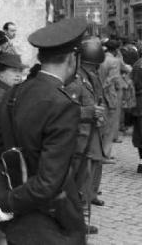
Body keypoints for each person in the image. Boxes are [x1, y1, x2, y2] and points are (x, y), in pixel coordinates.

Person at [0, 17, 88, 245]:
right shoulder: (63, 104)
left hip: (18, 222)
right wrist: (2, 203)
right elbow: (48, 182)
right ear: (72, 58)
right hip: (53, 222)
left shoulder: (13, 93)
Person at [64, 36, 107, 234]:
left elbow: (97, 99)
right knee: (79, 184)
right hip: (81, 141)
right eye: (92, 66)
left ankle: (80, 219)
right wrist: (89, 112)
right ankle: (76, 222)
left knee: (86, 183)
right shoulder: (75, 81)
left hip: (90, 139)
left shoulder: (90, 77)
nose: (94, 69)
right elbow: (66, 111)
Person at [99, 39, 129, 157]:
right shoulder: (115, 61)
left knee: (101, 124)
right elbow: (115, 79)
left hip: (98, 93)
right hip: (110, 95)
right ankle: (106, 154)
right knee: (109, 126)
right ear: (116, 49)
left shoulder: (100, 59)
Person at [0, 53, 26, 133]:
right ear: (1, 73)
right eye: (14, 71)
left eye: (20, 71)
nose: (18, 75)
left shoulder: (4, 90)